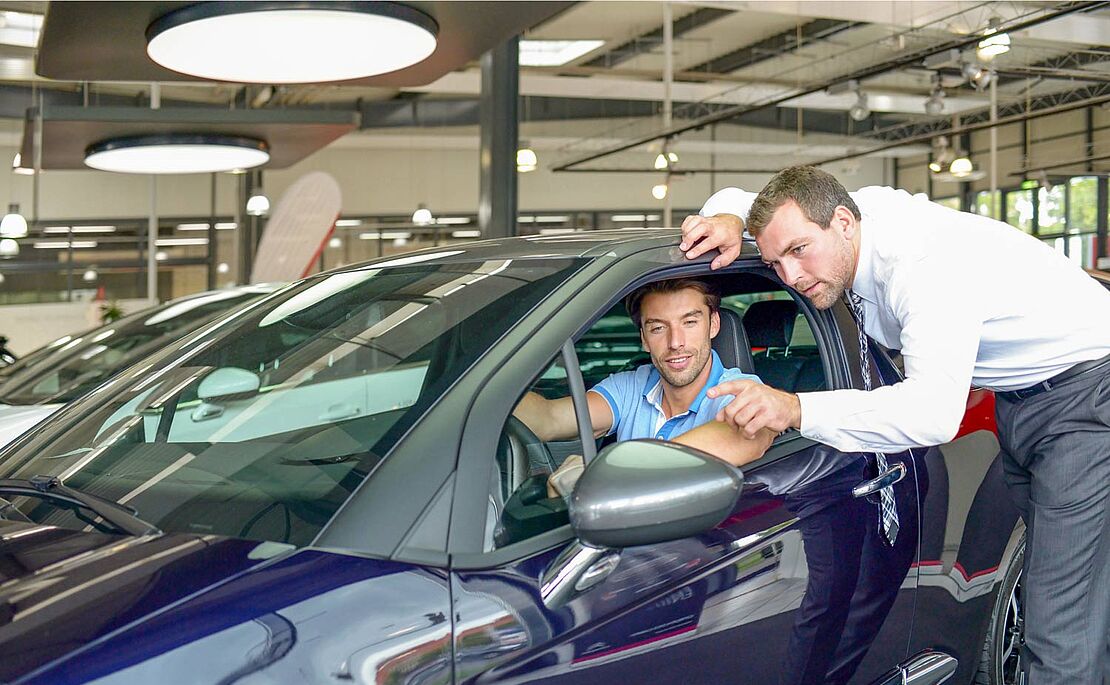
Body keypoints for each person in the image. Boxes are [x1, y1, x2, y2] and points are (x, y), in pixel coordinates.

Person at [680, 165, 1110, 685]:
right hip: (1021, 398)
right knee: (1071, 588)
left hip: (1085, 398)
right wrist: (725, 217)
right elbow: (742, 200)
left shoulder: (923, 265)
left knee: (1058, 626)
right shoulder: (834, 217)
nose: (790, 276)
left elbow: (932, 413)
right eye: (775, 261)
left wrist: (794, 409)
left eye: (798, 252)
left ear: (844, 222)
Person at [512, 277, 775, 479]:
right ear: (644, 339)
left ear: (713, 325)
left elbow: (746, 436)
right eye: (658, 328)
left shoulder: (740, 390)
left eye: (689, 323)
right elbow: (548, 418)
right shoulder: (631, 385)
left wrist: (604, 472)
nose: (675, 342)